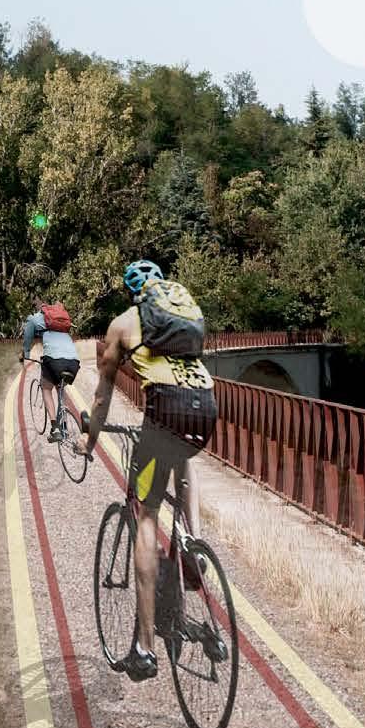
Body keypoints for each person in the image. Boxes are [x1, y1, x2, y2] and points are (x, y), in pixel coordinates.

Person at [79, 259, 218, 679]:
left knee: (146, 515)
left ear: (131, 293)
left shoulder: (123, 324)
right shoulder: (182, 318)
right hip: (206, 406)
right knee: (181, 453)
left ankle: (144, 647)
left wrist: (90, 442)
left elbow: (102, 396)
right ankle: (191, 542)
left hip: (166, 410)